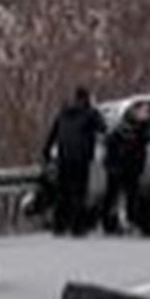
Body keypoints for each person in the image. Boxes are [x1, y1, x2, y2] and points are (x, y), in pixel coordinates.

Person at [43, 87, 106, 236]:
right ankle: (77, 227)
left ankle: (59, 225)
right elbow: (103, 128)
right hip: (81, 158)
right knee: (78, 192)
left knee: (63, 192)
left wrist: (47, 155)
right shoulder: (89, 113)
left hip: (63, 158)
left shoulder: (63, 113)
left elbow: (52, 135)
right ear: (87, 98)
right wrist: (95, 109)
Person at [102, 103, 150, 234]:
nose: (146, 115)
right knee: (117, 195)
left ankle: (124, 221)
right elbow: (111, 145)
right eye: (143, 112)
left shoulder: (140, 129)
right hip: (121, 167)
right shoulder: (124, 129)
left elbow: (148, 138)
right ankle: (113, 222)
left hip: (128, 167)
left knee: (127, 196)